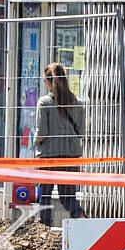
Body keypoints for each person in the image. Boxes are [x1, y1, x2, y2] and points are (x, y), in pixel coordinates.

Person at [34, 61, 85, 225]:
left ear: (49, 82)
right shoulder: (77, 102)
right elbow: (82, 132)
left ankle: (44, 229)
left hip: (49, 156)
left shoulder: (44, 103)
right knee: (68, 197)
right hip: (71, 156)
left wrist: (36, 142)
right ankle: (82, 220)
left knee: (45, 195)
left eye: (44, 80)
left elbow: (41, 132)